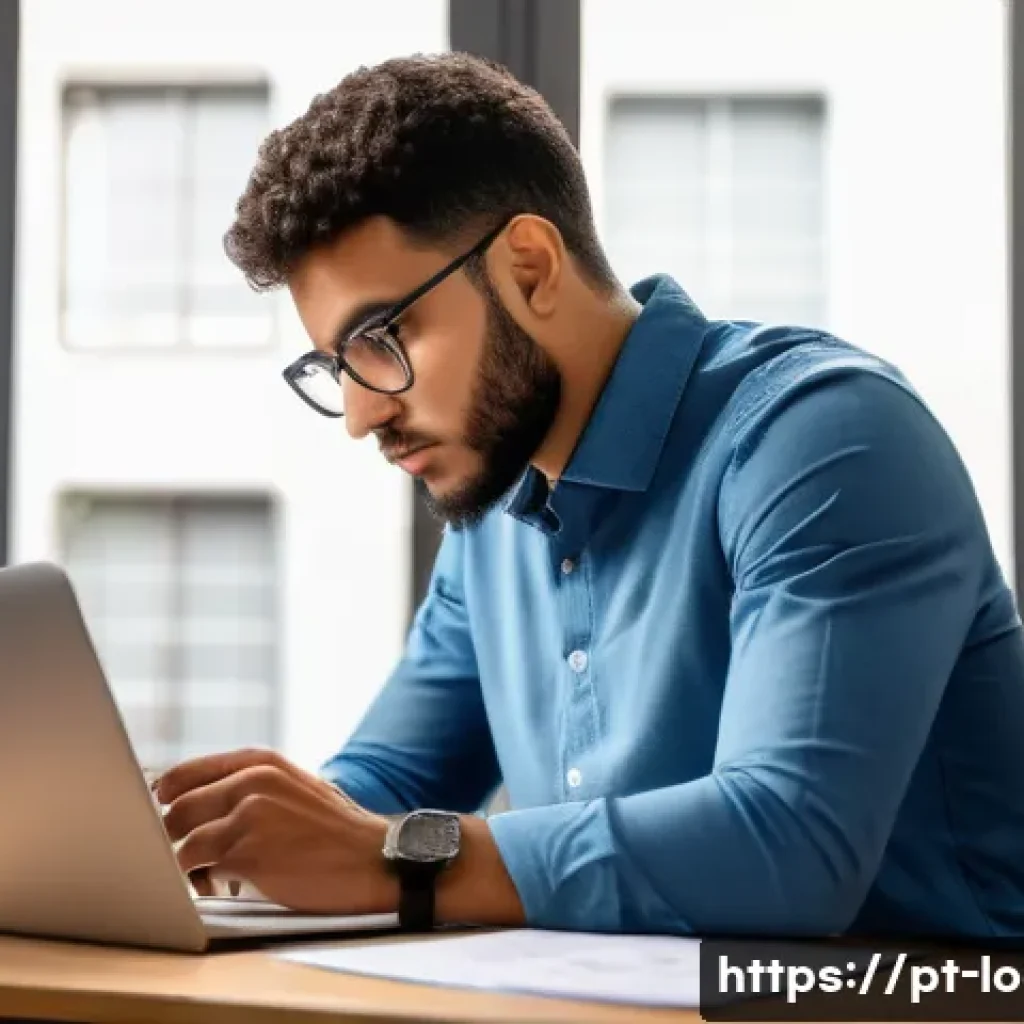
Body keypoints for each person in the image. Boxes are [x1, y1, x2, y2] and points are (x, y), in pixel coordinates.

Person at [152, 51, 1024, 939]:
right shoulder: (492, 512)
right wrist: (216, 843)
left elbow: (787, 848)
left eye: (382, 337)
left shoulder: (826, 441)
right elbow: (381, 794)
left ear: (529, 265)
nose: (362, 414)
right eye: (338, 367)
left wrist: (389, 856)